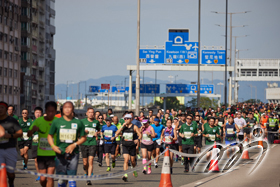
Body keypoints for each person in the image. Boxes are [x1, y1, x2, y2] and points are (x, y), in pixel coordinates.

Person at [48, 101, 86, 187]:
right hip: (60, 153)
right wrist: (53, 146)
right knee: (61, 180)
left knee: (72, 180)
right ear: (62, 110)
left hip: (74, 154)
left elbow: (84, 138)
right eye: (65, 107)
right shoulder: (56, 122)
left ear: (73, 109)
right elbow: (50, 136)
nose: (67, 109)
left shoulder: (78, 122)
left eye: (69, 107)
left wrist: (74, 144)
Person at [28, 102, 58, 187]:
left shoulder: (57, 121)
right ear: (45, 111)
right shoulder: (38, 121)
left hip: (53, 154)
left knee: (50, 177)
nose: (51, 113)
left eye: (53, 111)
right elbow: (28, 135)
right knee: (43, 179)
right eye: (49, 111)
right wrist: (32, 130)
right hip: (41, 154)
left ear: (55, 111)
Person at [0, 101, 23, 187]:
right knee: (1, 171)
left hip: (10, 148)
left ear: (6, 109)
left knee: (10, 173)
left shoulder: (12, 120)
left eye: (2, 107)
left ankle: (11, 183)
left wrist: (10, 135)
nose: (0, 109)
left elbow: (20, 133)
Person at [115, 114, 142, 182]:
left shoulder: (134, 127)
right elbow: (116, 133)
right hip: (125, 145)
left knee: (132, 161)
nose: (126, 120)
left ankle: (134, 170)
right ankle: (125, 175)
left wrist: (138, 140)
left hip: (132, 146)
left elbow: (140, 134)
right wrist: (122, 126)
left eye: (128, 118)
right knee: (126, 160)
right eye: (125, 119)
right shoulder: (123, 127)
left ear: (131, 119)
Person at [80, 107, 100, 186]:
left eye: (93, 112)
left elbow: (99, 130)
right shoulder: (82, 122)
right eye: (90, 112)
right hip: (84, 143)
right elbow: (78, 131)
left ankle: (88, 178)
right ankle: (86, 172)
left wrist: (97, 133)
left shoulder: (96, 122)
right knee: (85, 163)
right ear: (87, 113)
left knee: (91, 160)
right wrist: (83, 131)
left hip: (92, 143)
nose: (91, 114)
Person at [31, 106, 43, 182]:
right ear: (34, 113)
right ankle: (39, 175)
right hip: (35, 143)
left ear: (42, 113)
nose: (38, 114)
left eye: (39, 113)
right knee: (36, 160)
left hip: (43, 144)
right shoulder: (32, 122)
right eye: (36, 113)